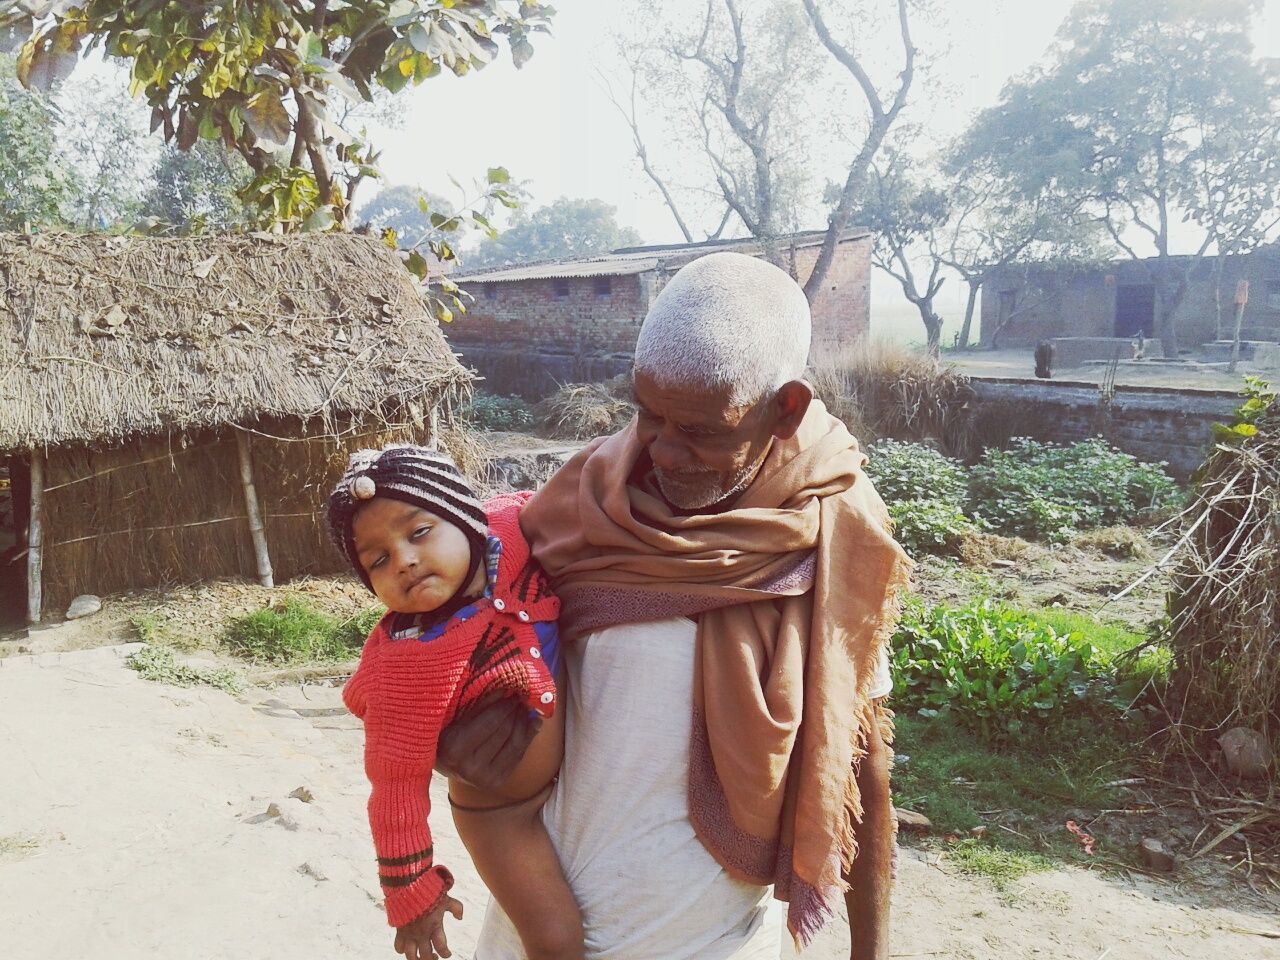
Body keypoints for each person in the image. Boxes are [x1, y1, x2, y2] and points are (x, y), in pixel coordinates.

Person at [440, 252, 911, 960]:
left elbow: (863, 761)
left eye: (700, 431)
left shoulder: (836, 532)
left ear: (785, 409)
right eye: (648, 415)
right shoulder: (582, 503)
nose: (661, 450)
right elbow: (484, 664)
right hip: (541, 930)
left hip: (708, 940)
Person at [327, 445, 584, 960]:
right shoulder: (404, 665)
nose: (404, 559)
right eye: (377, 560)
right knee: (556, 941)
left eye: (419, 532)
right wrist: (411, 896)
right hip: (502, 814)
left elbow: (555, 496)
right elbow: (394, 787)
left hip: (581, 765)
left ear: (467, 520)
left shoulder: (511, 533)